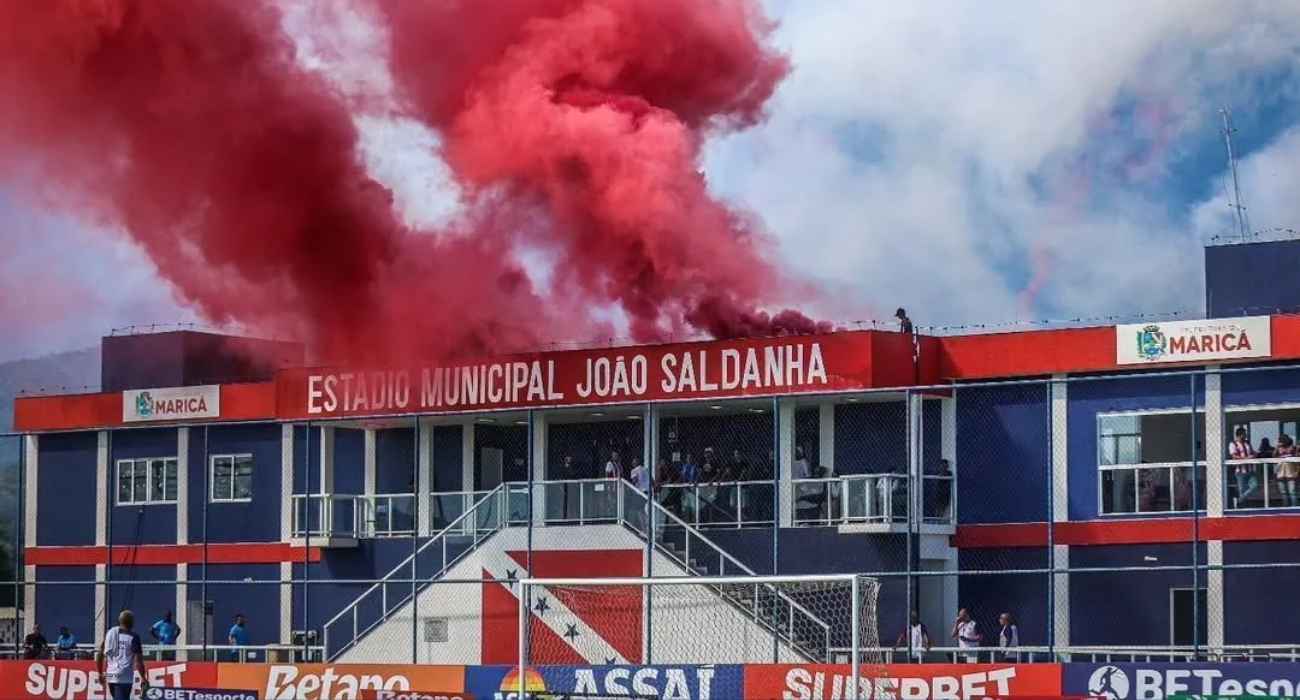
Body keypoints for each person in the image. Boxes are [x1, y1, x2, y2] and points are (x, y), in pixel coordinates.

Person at [97, 610, 147, 700]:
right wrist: (143, 677)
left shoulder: (110, 634)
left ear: (120, 621)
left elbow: (100, 654)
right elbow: (138, 662)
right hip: (124, 675)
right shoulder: (133, 637)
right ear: (132, 622)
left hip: (111, 674)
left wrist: (100, 673)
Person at [1229, 427, 1257, 506]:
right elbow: (1234, 456)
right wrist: (1246, 458)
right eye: (1245, 434)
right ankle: (1242, 507)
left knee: (1255, 486)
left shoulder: (1247, 443)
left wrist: (1255, 454)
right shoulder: (1233, 444)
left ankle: (1239, 500)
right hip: (1240, 472)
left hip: (1250, 470)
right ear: (1240, 435)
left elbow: (1253, 452)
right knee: (1242, 490)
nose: (1246, 435)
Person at [1277, 434, 1299, 507]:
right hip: (1280, 472)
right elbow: (1273, 456)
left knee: (1292, 491)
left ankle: (1294, 507)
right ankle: (1285, 507)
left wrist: (1297, 471)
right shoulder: (1279, 448)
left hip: (1291, 472)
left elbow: (1297, 460)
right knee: (1283, 492)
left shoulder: (1292, 448)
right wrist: (1277, 447)